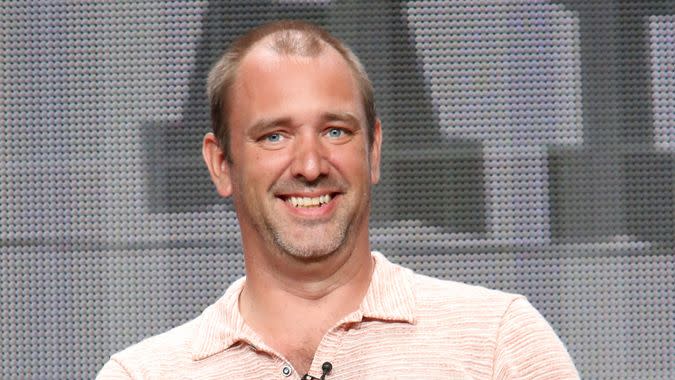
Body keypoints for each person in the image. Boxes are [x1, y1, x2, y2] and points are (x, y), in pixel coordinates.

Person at [97, 20, 579, 379]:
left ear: (372, 150)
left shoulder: (499, 344)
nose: (310, 165)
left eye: (335, 131)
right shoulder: (143, 375)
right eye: (274, 137)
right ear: (221, 163)